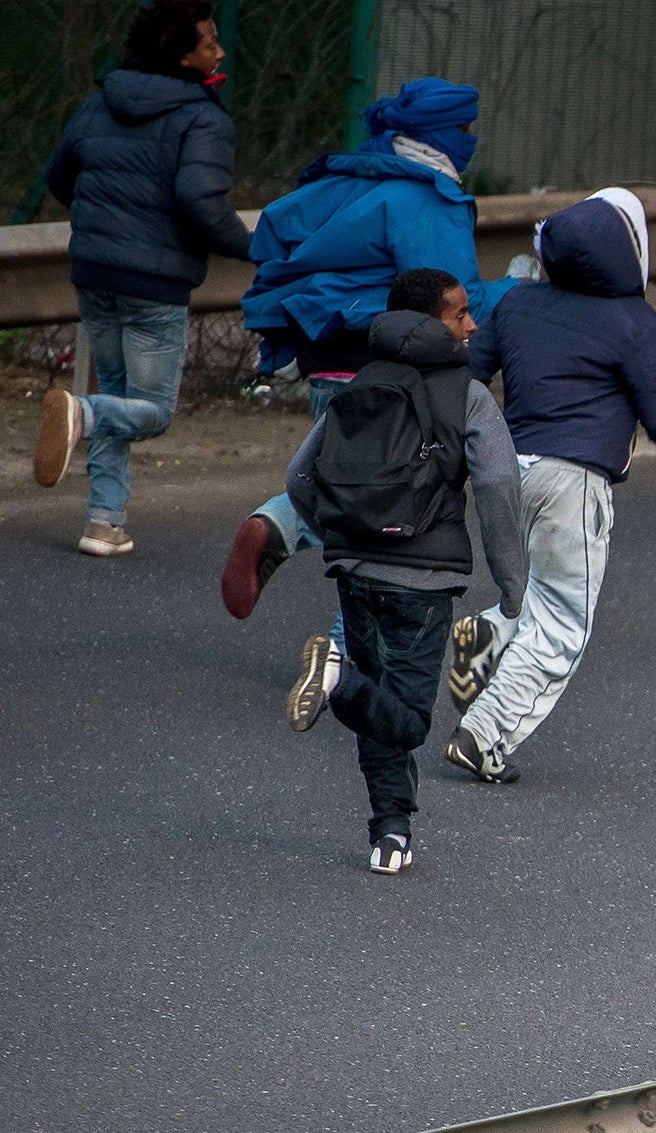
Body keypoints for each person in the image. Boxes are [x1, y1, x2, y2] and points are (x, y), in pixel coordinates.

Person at [219, 76, 518, 727]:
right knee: (391, 509)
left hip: (327, 356)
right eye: (465, 130)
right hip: (392, 373)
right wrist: (518, 289)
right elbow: (451, 299)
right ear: (443, 134)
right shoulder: (425, 201)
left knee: (336, 481)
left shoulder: (351, 178)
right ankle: (338, 652)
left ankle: (275, 523)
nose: (470, 141)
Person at [439, 188, 656, 785]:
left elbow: (469, 378)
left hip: (508, 473)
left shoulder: (516, 304)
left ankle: (494, 627)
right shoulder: (634, 322)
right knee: (564, 621)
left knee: (535, 592)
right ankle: (483, 734)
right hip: (574, 481)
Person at [285, 268, 526, 874]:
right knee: (412, 718)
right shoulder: (466, 394)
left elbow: (298, 479)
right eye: (459, 313)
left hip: (357, 573)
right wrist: (510, 579)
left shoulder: (358, 384)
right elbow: (498, 483)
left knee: (380, 698)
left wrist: (344, 536)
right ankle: (336, 681)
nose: (472, 323)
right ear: (428, 322)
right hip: (423, 578)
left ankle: (390, 832)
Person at [33, 0, 251, 557]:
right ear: (182, 55)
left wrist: (106, 220)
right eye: (209, 42)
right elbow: (200, 201)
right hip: (154, 282)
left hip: (95, 270)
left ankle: (104, 522)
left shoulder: (98, 104)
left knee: (118, 391)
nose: (219, 51)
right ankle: (80, 412)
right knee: (151, 411)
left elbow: (61, 175)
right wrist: (255, 249)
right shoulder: (203, 117)